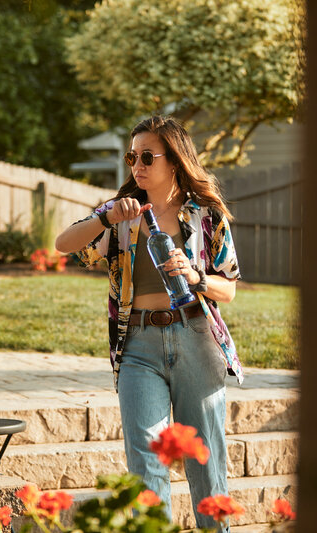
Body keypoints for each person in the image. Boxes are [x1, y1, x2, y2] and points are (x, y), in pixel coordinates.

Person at [55, 116, 243, 532]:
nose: (136, 165)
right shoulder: (120, 215)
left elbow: (228, 288)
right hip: (138, 345)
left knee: (206, 463)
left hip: (196, 337)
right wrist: (105, 219)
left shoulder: (205, 215)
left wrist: (195, 277)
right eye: (131, 156)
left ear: (174, 161)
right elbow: (64, 245)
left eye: (147, 156)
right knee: (146, 463)